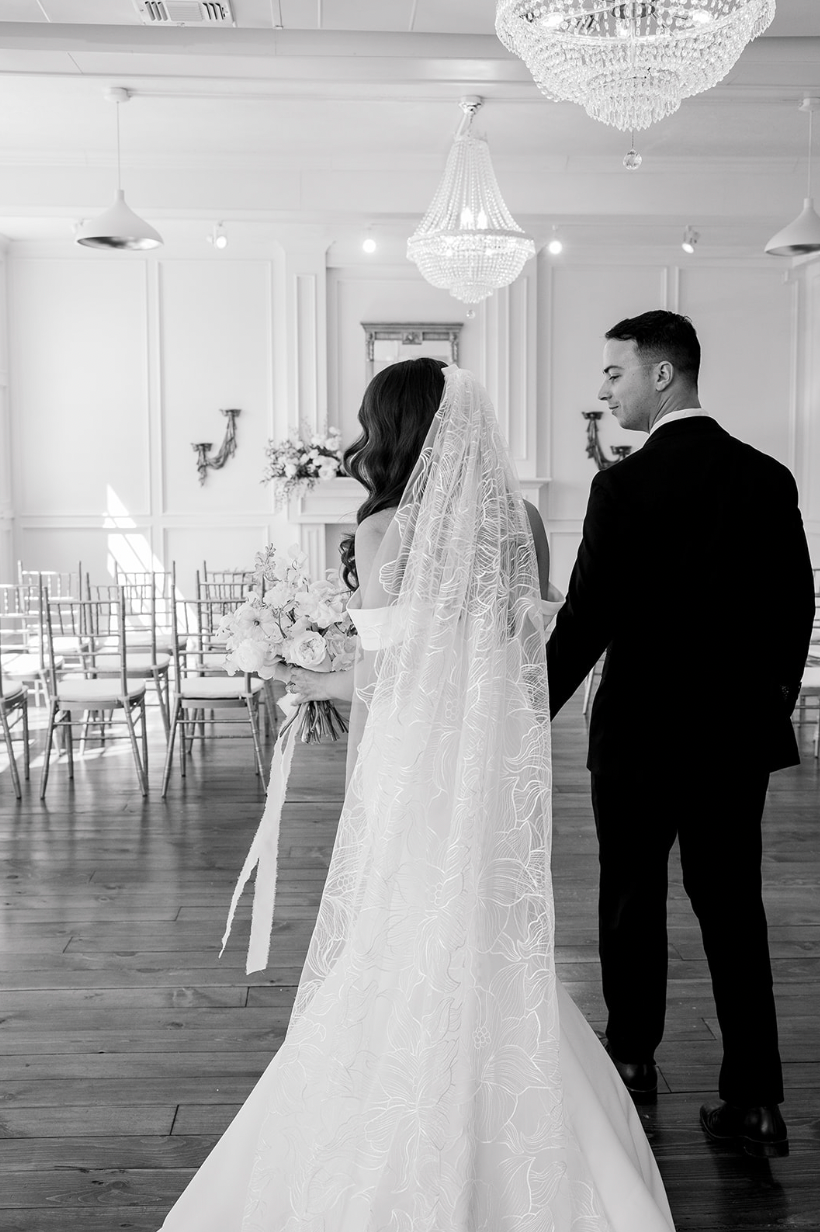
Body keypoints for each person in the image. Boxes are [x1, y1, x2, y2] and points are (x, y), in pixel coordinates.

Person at [159, 358, 675, 1231]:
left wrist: (305, 673)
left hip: (414, 769)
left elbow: (390, 680)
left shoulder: (383, 531)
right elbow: (521, 656)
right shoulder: (521, 521)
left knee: (402, 934)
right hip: (491, 767)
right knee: (483, 930)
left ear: (395, 429)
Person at [546, 310, 816, 1159]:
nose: (603, 389)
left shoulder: (621, 488)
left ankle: (631, 1061)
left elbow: (587, 621)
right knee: (732, 907)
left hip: (636, 738)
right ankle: (759, 1100)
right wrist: (764, 703)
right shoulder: (768, 479)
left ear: (663, 376)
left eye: (614, 373)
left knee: (631, 900)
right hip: (734, 741)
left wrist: (521, 715)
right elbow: (796, 610)